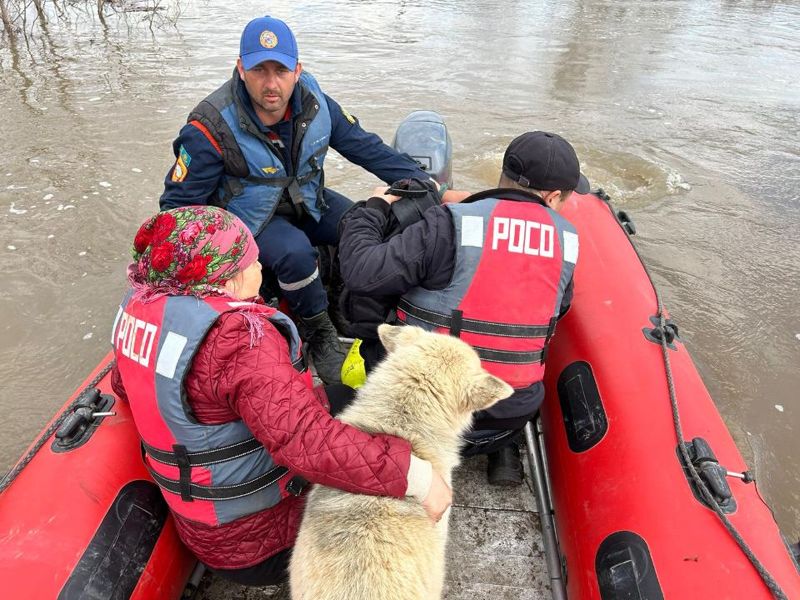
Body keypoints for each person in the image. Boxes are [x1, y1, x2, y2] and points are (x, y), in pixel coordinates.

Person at [110, 206, 451, 587]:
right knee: (397, 487)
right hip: (258, 543)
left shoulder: (141, 305)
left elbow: (124, 386)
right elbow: (305, 442)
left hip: (205, 527)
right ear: (228, 275)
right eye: (253, 259)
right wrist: (415, 476)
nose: (261, 268)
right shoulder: (236, 338)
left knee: (342, 396)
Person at [159, 15, 455, 384]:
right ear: (240, 68)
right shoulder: (209, 127)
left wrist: (428, 186)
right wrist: (209, 267)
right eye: (259, 70)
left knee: (367, 223)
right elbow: (177, 210)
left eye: (281, 70)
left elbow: (365, 147)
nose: (271, 83)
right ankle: (320, 336)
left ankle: (365, 311)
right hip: (250, 219)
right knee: (295, 252)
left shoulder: (315, 103)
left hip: (307, 200)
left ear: (297, 70)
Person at [338, 131, 589, 486]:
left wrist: (374, 208)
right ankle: (505, 448)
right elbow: (556, 312)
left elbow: (362, 272)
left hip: (421, 420)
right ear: (552, 197)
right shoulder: (567, 240)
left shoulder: (448, 223)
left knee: (381, 309)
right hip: (508, 416)